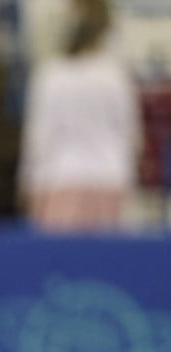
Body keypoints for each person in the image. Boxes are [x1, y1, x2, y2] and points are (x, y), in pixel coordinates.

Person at [17, 0, 140, 231]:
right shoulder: (115, 77)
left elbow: (38, 139)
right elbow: (131, 139)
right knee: (104, 264)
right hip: (106, 179)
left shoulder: (51, 76)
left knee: (62, 264)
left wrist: (28, 184)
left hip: (62, 180)